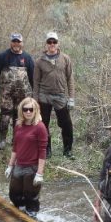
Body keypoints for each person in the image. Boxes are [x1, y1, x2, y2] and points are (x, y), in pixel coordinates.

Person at [33, 31, 75, 159]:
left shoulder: (65, 58)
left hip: (60, 96)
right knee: (43, 124)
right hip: (44, 96)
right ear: (46, 44)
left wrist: (71, 98)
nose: (52, 44)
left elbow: (70, 79)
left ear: (58, 43)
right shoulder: (39, 61)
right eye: (49, 42)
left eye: (54, 42)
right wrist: (35, 101)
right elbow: (36, 82)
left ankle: (67, 150)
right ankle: (46, 150)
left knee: (66, 124)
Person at [4, 97, 48, 218]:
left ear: (35, 110)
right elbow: (15, 147)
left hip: (32, 167)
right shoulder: (18, 125)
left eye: (31, 109)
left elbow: (43, 151)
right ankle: (20, 214)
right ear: (21, 110)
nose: (28, 112)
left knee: (31, 196)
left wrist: (39, 173)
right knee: (14, 194)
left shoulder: (40, 127)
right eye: (25, 109)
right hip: (19, 165)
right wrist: (10, 166)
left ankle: (32, 218)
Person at [0, 33, 35, 151]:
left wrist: (35, 92)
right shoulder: (3, 56)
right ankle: (2, 139)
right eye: (14, 41)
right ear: (11, 42)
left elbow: (32, 76)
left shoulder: (27, 57)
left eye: (18, 41)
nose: (16, 44)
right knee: (5, 114)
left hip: (23, 94)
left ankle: (16, 139)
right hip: (6, 93)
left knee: (19, 116)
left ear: (22, 43)